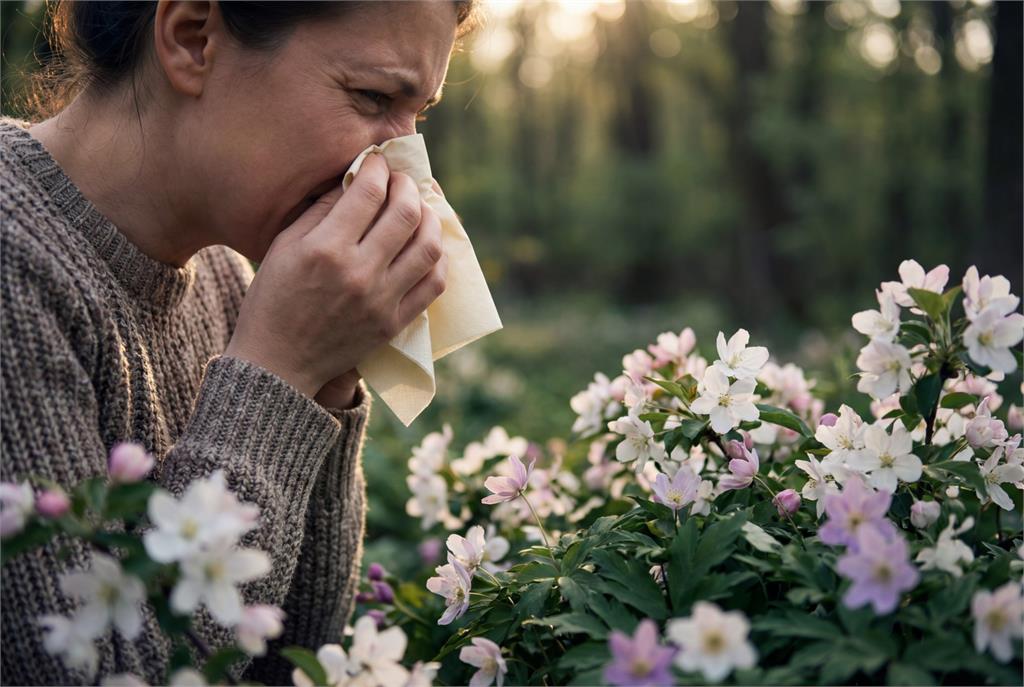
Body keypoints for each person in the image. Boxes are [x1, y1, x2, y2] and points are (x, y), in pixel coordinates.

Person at [0, 1, 477, 684]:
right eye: (372, 97)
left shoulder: (230, 279)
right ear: (193, 39)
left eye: (417, 115)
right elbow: (105, 671)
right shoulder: (14, 261)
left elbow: (290, 662)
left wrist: (328, 370)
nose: (402, 171)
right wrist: (279, 370)